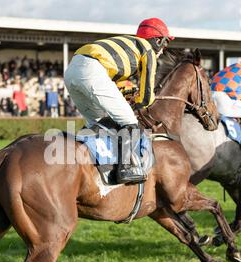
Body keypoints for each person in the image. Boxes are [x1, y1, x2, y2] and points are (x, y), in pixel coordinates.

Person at [64, 17, 174, 184]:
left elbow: (116, 86)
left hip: (72, 70)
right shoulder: (148, 50)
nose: (164, 49)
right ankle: (125, 169)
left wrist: (130, 95)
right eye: (165, 44)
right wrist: (138, 102)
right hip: (92, 71)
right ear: (158, 40)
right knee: (129, 121)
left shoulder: (127, 44)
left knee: (99, 123)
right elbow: (146, 97)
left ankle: (87, 166)